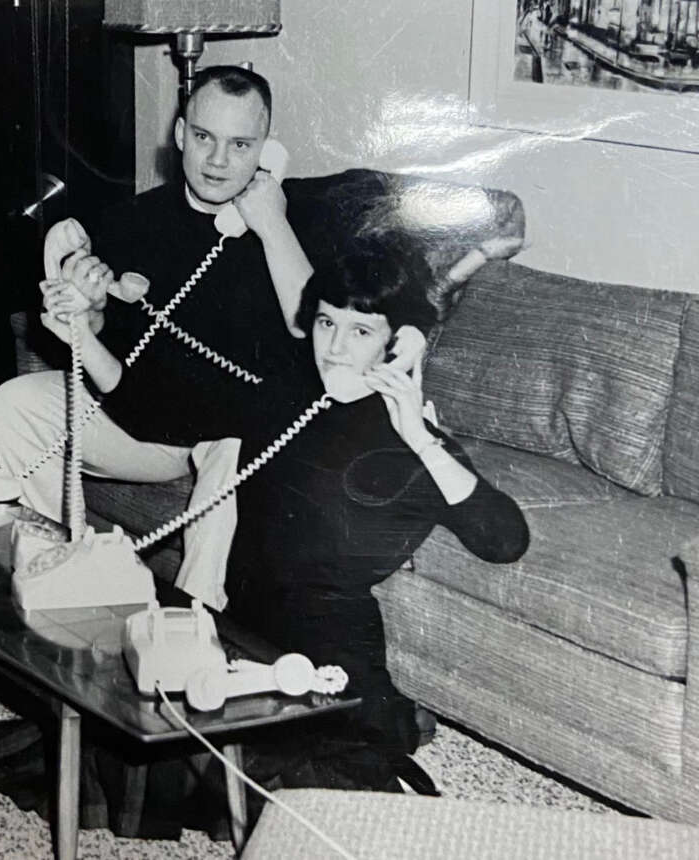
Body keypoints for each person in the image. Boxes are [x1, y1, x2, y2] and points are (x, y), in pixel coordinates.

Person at [0, 66, 424, 569]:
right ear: (179, 135)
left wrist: (271, 225)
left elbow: (317, 334)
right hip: (142, 417)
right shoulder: (134, 219)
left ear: (266, 150)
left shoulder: (295, 225)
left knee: (239, 445)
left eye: (241, 145)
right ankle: (53, 563)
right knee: (12, 404)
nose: (218, 161)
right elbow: (122, 338)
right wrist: (92, 310)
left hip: (231, 434)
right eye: (203, 138)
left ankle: (200, 618)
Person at [213, 236, 529, 784]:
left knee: (286, 782)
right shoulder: (289, 393)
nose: (333, 347)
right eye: (325, 323)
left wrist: (420, 434)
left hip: (329, 652)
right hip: (247, 630)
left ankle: (391, 715)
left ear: (398, 343)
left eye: (360, 331)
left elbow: (504, 541)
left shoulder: (404, 441)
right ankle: (399, 715)